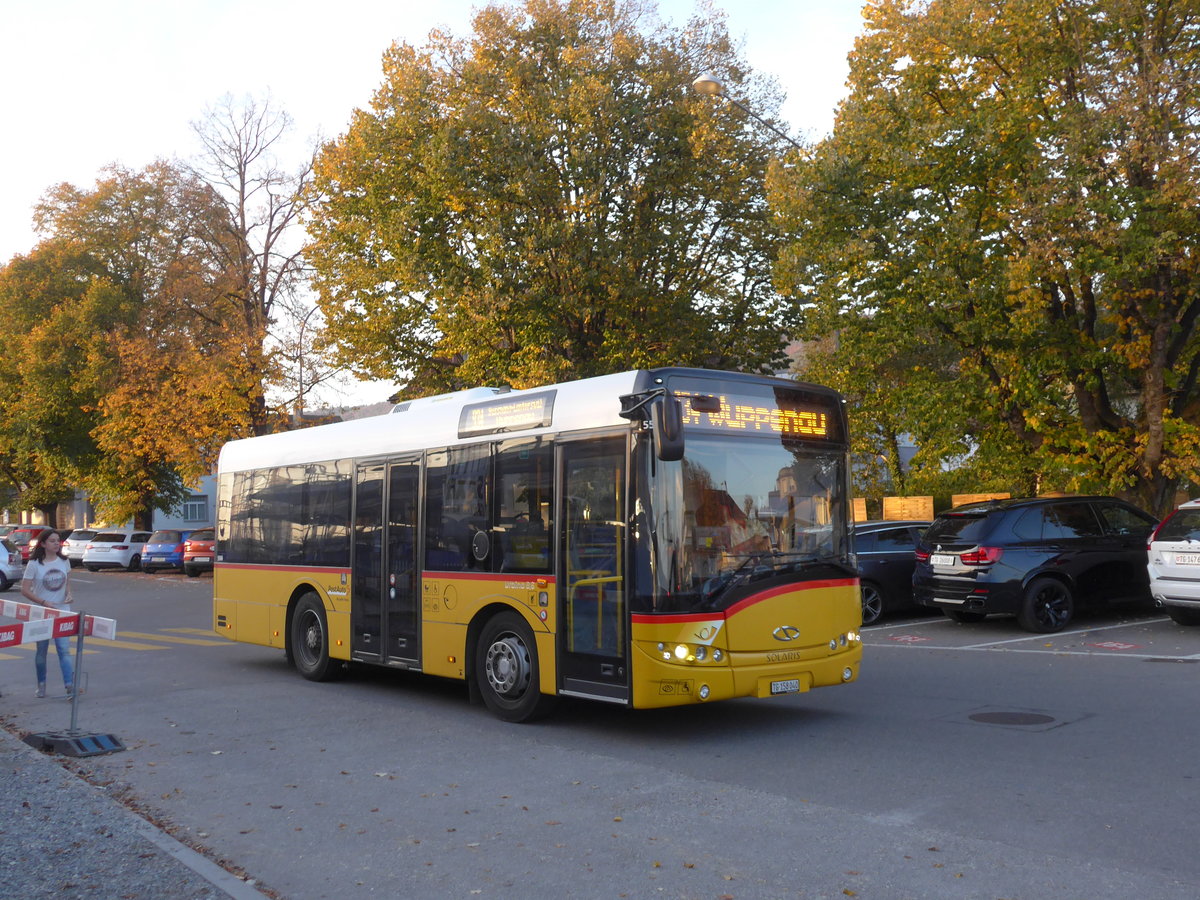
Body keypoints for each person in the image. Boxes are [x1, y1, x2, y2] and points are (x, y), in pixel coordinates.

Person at [20, 530, 75, 699]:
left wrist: (69, 594)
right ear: (43, 544)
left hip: (62, 612)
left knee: (64, 650)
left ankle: (69, 686)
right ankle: (41, 685)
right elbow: (24, 590)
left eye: (58, 541)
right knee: (41, 651)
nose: (56, 544)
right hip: (41, 613)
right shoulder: (34, 564)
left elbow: (67, 584)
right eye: (52, 541)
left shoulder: (64, 561)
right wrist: (43, 603)